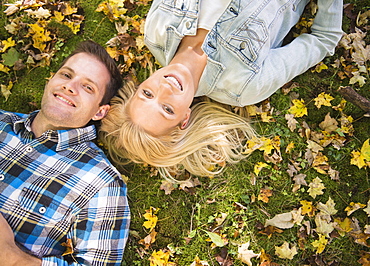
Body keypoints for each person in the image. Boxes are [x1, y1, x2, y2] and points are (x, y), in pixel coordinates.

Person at [100, 0, 343, 180]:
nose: (165, 88)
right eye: (166, 108)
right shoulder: (245, 84)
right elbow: (324, 38)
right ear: (185, 118)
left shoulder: (157, 30)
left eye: (147, 94)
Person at [0, 40, 130, 265]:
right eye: (67, 75)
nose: (70, 87)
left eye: (88, 87)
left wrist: (11, 257)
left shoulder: (101, 182)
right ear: (51, 80)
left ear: (100, 112)